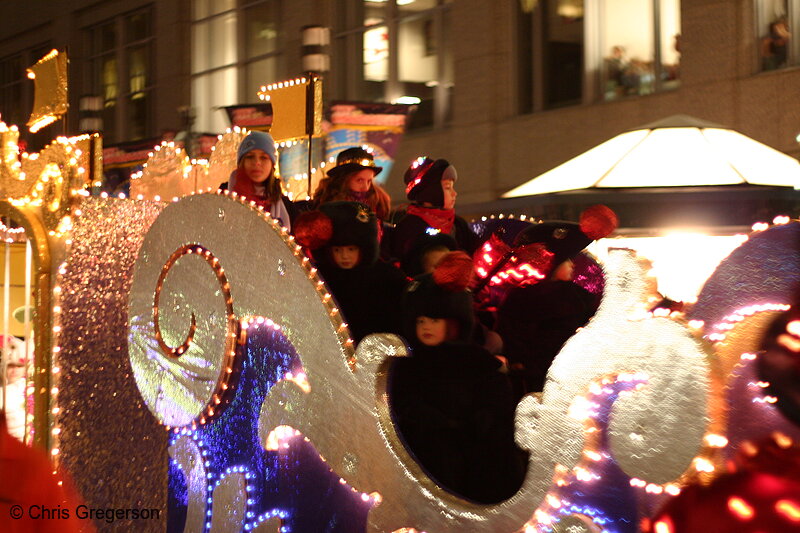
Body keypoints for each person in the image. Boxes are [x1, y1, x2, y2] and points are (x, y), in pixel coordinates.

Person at [390, 251, 524, 503]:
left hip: (476, 464)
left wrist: (479, 424)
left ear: (454, 322)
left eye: (434, 320)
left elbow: (498, 414)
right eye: (420, 320)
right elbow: (403, 406)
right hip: (426, 462)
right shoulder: (408, 366)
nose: (426, 327)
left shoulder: (479, 363)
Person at [496, 205, 618, 398]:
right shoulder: (576, 298)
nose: (571, 265)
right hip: (551, 376)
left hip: (553, 374)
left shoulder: (518, 298)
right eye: (566, 259)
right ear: (549, 262)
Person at [294, 201, 407, 345]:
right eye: (337, 250)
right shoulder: (320, 278)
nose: (344, 256)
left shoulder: (388, 279)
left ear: (364, 248)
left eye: (351, 249)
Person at [387, 157, 479, 269]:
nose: (454, 193)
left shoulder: (459, 225)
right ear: (432, 191)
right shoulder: (409, 227)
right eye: (448, 188)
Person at [218, 130, 297, 231]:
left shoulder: (287, 207)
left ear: (272, 164)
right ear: (242, 162)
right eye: (250, 157)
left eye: (264, 157)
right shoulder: (224, 196)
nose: (257, 162)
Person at [312, 147, 392, 222]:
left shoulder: (378, 203)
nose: (365, 188)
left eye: (369, 181)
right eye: (359, 180)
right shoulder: (327, 203)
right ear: (344, 179)